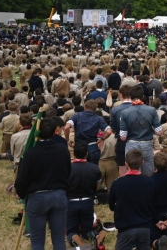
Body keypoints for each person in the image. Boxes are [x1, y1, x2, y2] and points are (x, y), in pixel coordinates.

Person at [15, 118, 71, 250]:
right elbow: (68, 172)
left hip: (37, 198)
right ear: (54, 132)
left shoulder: (30, 154)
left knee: (37, 242)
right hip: (59, 195)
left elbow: (22, 179)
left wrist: (22, 194)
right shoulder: (63, 150)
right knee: (59, 239)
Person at [109, 149, 156, 250]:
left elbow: (111, 205)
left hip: (126, 228)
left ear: (126, 164)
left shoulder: (117, 183)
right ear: (142, 162)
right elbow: (152, 202)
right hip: (144, 227)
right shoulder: (149, 182)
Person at [119, 85, 163, 176]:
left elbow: (123, 137)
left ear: (130, 97)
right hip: (147, 144)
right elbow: (159, 132)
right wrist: (150, 130)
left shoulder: (124, 113)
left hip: (131, 145)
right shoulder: (152, 110)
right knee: (148, 174)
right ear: (143, 96)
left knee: (132, 173)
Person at [67, 141, 103, 247]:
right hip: (87, 202)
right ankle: (97, 237)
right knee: (87, 230)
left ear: (73, 153)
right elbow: (98, 186)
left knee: (71, 231)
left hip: (71, 203)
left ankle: (81, 244)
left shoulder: (67, 168)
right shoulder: (94, 168)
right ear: (87, 153)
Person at [64, 99, 113, 165]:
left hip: (79, 146)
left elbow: (66, 128)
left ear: (84, 107)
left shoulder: (77, 115)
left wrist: (67, 140)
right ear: (95, 109)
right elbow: (109, 131)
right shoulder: (99, 118)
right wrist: (102, 139)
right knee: (93, 170)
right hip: (92, 146)